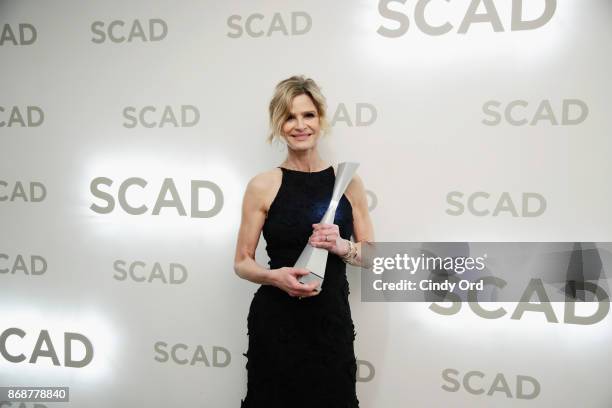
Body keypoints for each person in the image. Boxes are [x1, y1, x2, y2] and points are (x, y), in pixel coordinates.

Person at [234, 75, 374, 408]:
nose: (300, 125)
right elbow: (242, 261)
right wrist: (274, 277)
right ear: (278, 124)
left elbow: (372, 256)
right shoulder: (263, 185)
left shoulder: (348, 182)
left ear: (320, 119)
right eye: (289, 116)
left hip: (330, 322)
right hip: (277, 323)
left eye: (308, 115)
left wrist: (342, 247)